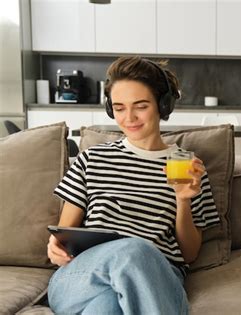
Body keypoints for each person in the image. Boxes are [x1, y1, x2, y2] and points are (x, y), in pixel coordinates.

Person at [46, 56, 220, 314]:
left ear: (163, 105)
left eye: (140, 106)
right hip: (82, 277)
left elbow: (189, 254)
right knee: (133, 248)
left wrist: (183, 200)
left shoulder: (187, 167)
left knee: (107, 307)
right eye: (119, 108)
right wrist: (55, 247)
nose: (129, 118)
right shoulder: (92, 159)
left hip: (156, 277)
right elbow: (63, 233)